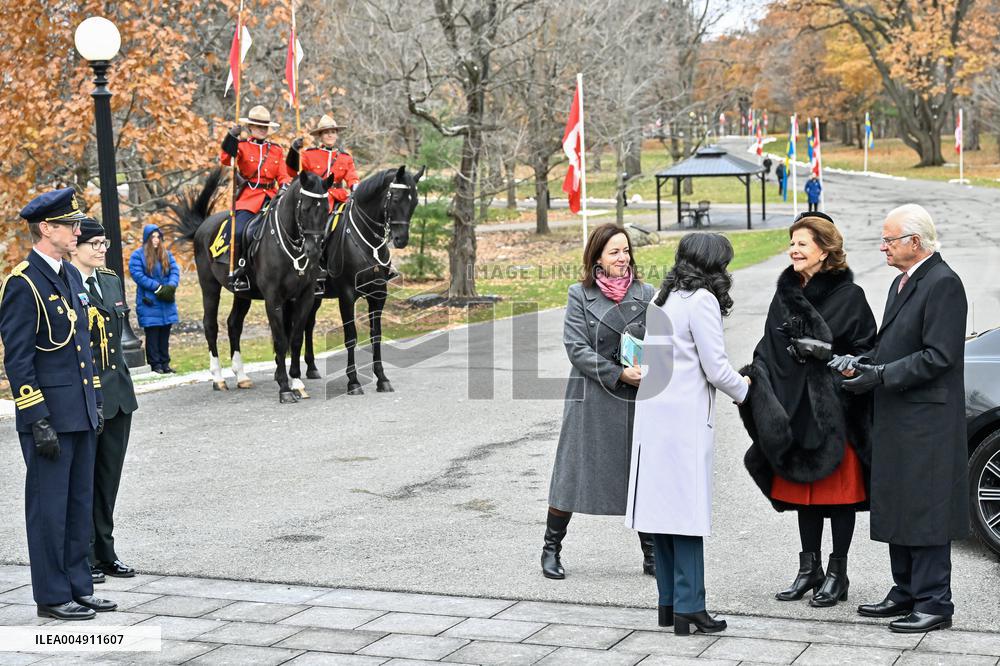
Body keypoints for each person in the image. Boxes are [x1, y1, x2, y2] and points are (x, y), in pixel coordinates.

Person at [830, 204, 968, 634]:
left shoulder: (943, 284)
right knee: (899, 503)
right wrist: (862, 362)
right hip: (897, 414)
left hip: (927, 420)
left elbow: (939, 357)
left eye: (889, 239)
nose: (883, 246)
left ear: (915, 242)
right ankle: (905, 590)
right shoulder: (902, 283)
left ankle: (934, 601)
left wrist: (881, 375)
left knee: (925, 506)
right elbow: (892, 346)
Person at [739, 213, 876, 609]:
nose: (793, 250)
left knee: (838, 497)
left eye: (802, 243)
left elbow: (868, 350)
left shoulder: (851, 297)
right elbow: (766, 347)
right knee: (806, 494)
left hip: (833, 412)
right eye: (792, 243)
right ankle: (809, 569)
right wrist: (754, 382)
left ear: (825, 250)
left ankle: (838, 573)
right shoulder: (784, 295)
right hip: (794, 408)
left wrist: (828, 354)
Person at [0, 188, 116, 620]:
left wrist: (96, 402)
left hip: (80, 411)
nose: (78, 231)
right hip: (49, 418)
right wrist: (36, 417)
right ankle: (51, 595)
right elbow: (19, 358)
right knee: (49, 509)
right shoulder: (24, 282)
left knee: (78, 504)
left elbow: (84, 348)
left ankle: (77, 586)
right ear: (46, 228)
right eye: (70, 224)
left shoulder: (69, 275)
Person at [625, 233, 749, 636]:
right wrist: (749, 392)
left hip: (654, 413)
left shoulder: (663, 298)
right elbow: (716, 367)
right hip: (684, 419)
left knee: (662, 513)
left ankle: (669, 603)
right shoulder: (703, 301)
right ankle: (692, 606)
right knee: (687, 515)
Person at [542, 223, 656, 580]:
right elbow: (575, 347)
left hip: (637, 399)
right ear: (597, 259)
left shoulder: (648, 292)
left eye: (626, 251)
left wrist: (650, 368)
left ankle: (652, 554)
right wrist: (616, 373)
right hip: (591, 397)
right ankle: (551, 547)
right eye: (614, 252)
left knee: (642, 475)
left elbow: (662, 341)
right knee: (572, 474)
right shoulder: (579, 294)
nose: (623, 258)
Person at [70, 220, 139, 583]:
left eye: (103, 242)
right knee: (83, 481)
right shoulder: (64, 284)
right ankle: (84, 556)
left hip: (118, 397)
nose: (100, 249)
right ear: (73, 247)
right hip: (85, 397)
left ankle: (106, 552)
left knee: (108, 479)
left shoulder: (110, 280)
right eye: (93, 243)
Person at [220, 104, 291, 291]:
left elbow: (283, 174)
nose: (262, 129)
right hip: (249, 197)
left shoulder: (276, 150)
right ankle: (240, 269)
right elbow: (226, 159)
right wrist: (231, 137)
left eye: (265, 126)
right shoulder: (242, 146)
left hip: (272, 197)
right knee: (240, 230)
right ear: (250, 127)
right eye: (258, 126)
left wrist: (284, 186)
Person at [128, 224, 180, 373]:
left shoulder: (166, 254)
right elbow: (137, 274)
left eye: (158, 237)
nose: (156, 240)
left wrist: (170, 286)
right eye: (152, 237)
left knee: (165, 333)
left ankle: (165, 363)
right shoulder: (138, 255)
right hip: (149, 301)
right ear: (147, 238)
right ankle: (155, 364)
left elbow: (175, 270)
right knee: (153, 334)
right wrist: (157, 287)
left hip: (166, 300)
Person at [286, 114, 360, 209]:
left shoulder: (345, 157)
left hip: (339, 197)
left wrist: (356, 189)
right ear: (320, 136)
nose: (330, 135)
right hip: (316, 197)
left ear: (336, 135)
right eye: (326, 132)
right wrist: (294, 151)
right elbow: (294, 173)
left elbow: (352, 178)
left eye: (333, 132)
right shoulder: (309, 155)